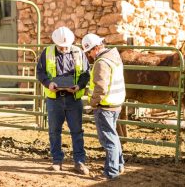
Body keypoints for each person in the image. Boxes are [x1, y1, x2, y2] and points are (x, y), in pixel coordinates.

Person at [36, 26, 90, 175]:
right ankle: (57, 161)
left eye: (66, 46)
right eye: (61, 46)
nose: (64, 48)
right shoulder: (47, 53)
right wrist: (49, 83)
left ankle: (79, 162)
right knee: (54, 131)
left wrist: (79, 85)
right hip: (54, 99)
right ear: (55, 43)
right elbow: (40, 72)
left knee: (77, 131)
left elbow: (86, 73)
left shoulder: (79, 52)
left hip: (73, 99)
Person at [81, 33, 125, 180]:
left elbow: (100, 88)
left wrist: (91, 104)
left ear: (95, 48)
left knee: (108, 139)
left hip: (104, 105)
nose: (89, 55)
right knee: (113, 136)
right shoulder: (114, 57)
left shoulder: (102, 62)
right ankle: (119, 165)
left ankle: (111, 171)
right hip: (115, 103)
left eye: (89, 52)